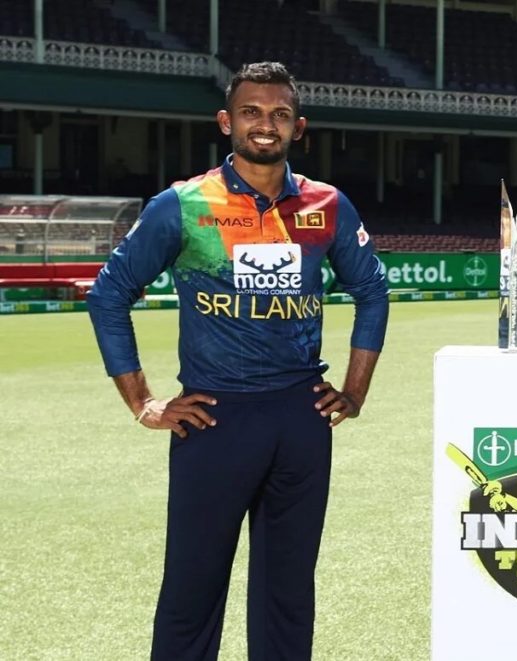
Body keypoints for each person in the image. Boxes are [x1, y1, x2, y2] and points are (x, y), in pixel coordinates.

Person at [87, 61, 389, 660]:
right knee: (192, 590)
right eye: (251, 112)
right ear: (226, 121)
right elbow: (108, 294)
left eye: (280, 114)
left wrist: (354, 391)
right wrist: (143, 402)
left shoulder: (327, 204)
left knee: (288, 594)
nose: (265, 124)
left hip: (301, 419)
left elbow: (373, 290)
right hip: (215, 418)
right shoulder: (184, 204)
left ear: (298, 127)